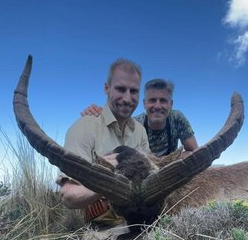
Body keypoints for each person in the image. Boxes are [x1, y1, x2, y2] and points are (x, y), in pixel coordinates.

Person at [58, 58, 150, 224]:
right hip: (101, 226)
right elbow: (68, 195)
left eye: (134, 91)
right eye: (121, 89)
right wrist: (114, 178)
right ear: (106, 88)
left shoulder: (140, 131)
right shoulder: (83, 128)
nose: (128, 99)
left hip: (142, 217)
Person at [81, 78, 198, 156]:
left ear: (171, 104)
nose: (157, 106)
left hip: (170, 173)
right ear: (144, 103)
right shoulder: (134, 124)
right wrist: (98, 115)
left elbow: (194, 151)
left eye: (163, 101)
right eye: (152, 100)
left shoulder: (177, 118)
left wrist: (175, 160)